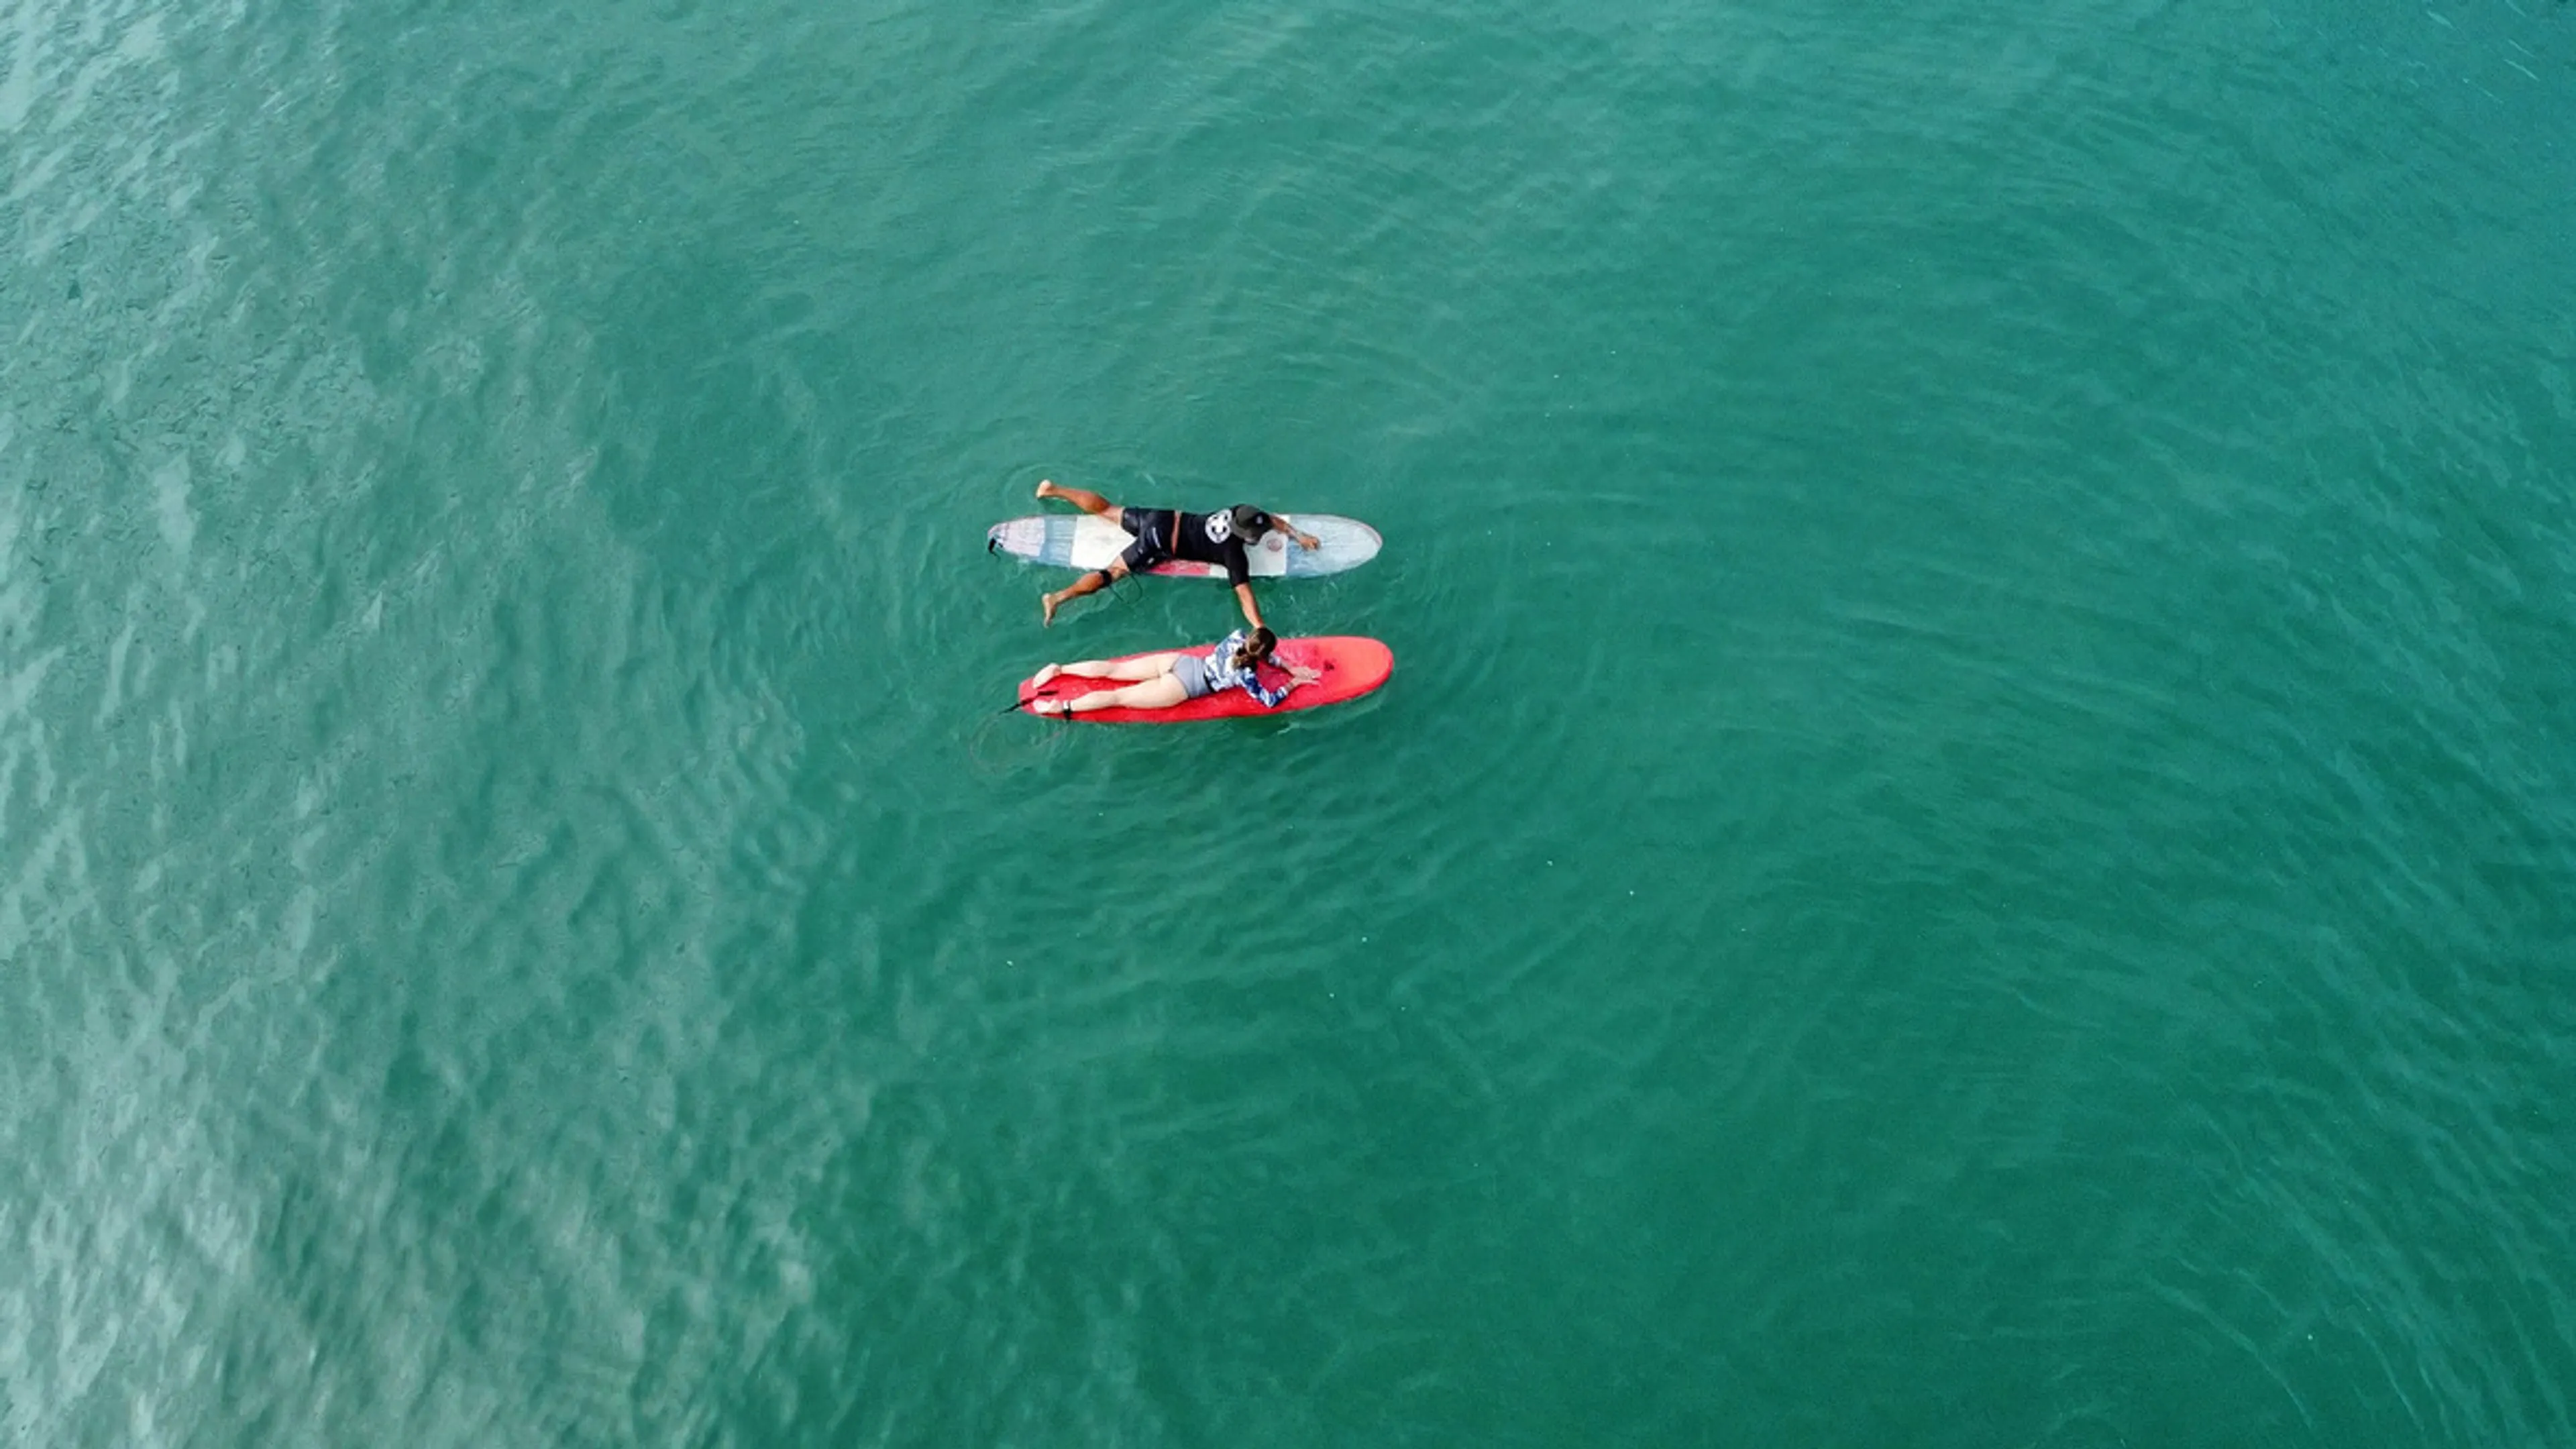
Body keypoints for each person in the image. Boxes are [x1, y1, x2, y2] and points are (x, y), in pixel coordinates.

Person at [1032, 480, 1323, 628]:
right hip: (1157, 543)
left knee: (1108, 510)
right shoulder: (1232, 553)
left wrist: (1299, 536)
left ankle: (1053, 489)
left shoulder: (1239, 510)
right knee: (1113, 573)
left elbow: (1269, 518)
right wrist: (1259, 626)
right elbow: (1244, 596)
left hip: (1163, 518)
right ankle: (1058, 597)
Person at [1028, 627, 1321, 717]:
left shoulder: (1236, 637)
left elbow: (1259, 652)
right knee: (1118, 697)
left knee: (1114, 669)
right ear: (1263, 655)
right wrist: (1293, 681)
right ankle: (1061, 707)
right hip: (1184, 687)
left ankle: (1060, 669)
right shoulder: (1247, 675)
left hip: (1182, 663)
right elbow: (1269, 701)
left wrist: (1285, 664)